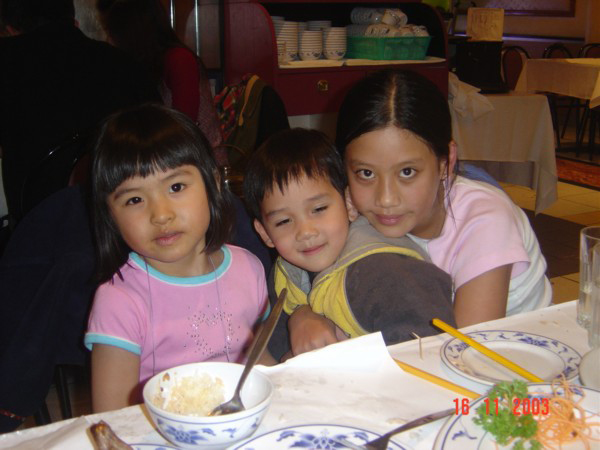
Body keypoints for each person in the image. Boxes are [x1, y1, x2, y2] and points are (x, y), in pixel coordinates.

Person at [84, 104, 273, 412]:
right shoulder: (119, 300)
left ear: (213, 184)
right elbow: (113, 414)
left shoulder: (248, 268)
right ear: (110, 215)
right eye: (134, 199)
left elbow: (260, 359)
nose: (161, 214)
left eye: (176, 187)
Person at [335, 69, 552, 328]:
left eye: (407, 172)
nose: (386, 199)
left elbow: (467, 345)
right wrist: (305, 315)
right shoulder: (351, 205)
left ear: (446, 163)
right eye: (366, 173)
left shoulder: (486, 220)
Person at [243, 128, 455, 361]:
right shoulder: (285, 276)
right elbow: (273, 349)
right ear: (265, 233)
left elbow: (431, 354)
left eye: (319, 209)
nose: (305, 232)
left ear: (349, 203)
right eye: (284, 221)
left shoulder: (385, 273)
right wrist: (299, 317)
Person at [0, 0, 159, 222]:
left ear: (10, 30)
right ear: (73, 20)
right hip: (120, 216)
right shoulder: (125, 64)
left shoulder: (8, 63)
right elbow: (158, 136)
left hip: (34, 220)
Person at [96, 0, 225, 162]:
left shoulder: (178, 60)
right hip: (169, 154)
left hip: (197, 159)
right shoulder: (148, 63)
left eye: (113, 34)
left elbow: (183, 124)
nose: (108, 40)